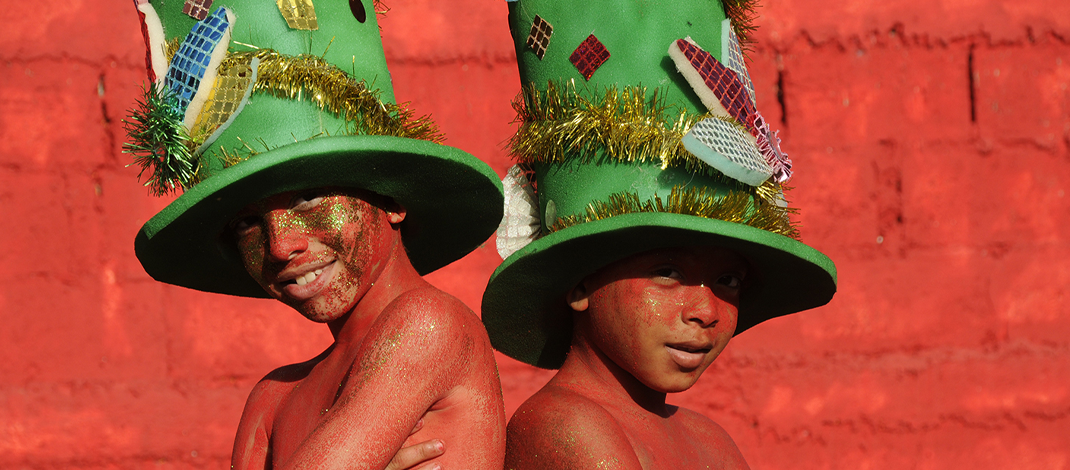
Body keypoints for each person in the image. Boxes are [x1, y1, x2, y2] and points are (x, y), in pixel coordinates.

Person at [125, 1, 506, 468]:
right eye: (246, 223)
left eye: (309, 200)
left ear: (391, 201)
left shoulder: (429, 324)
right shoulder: (272, 400)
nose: (281, 245)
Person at [483, 0, 838, 468]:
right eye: (667, 272)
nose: (706, 311)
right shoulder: (566, 427)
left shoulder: (710, 444)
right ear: (580, 282)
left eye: (728, 281)